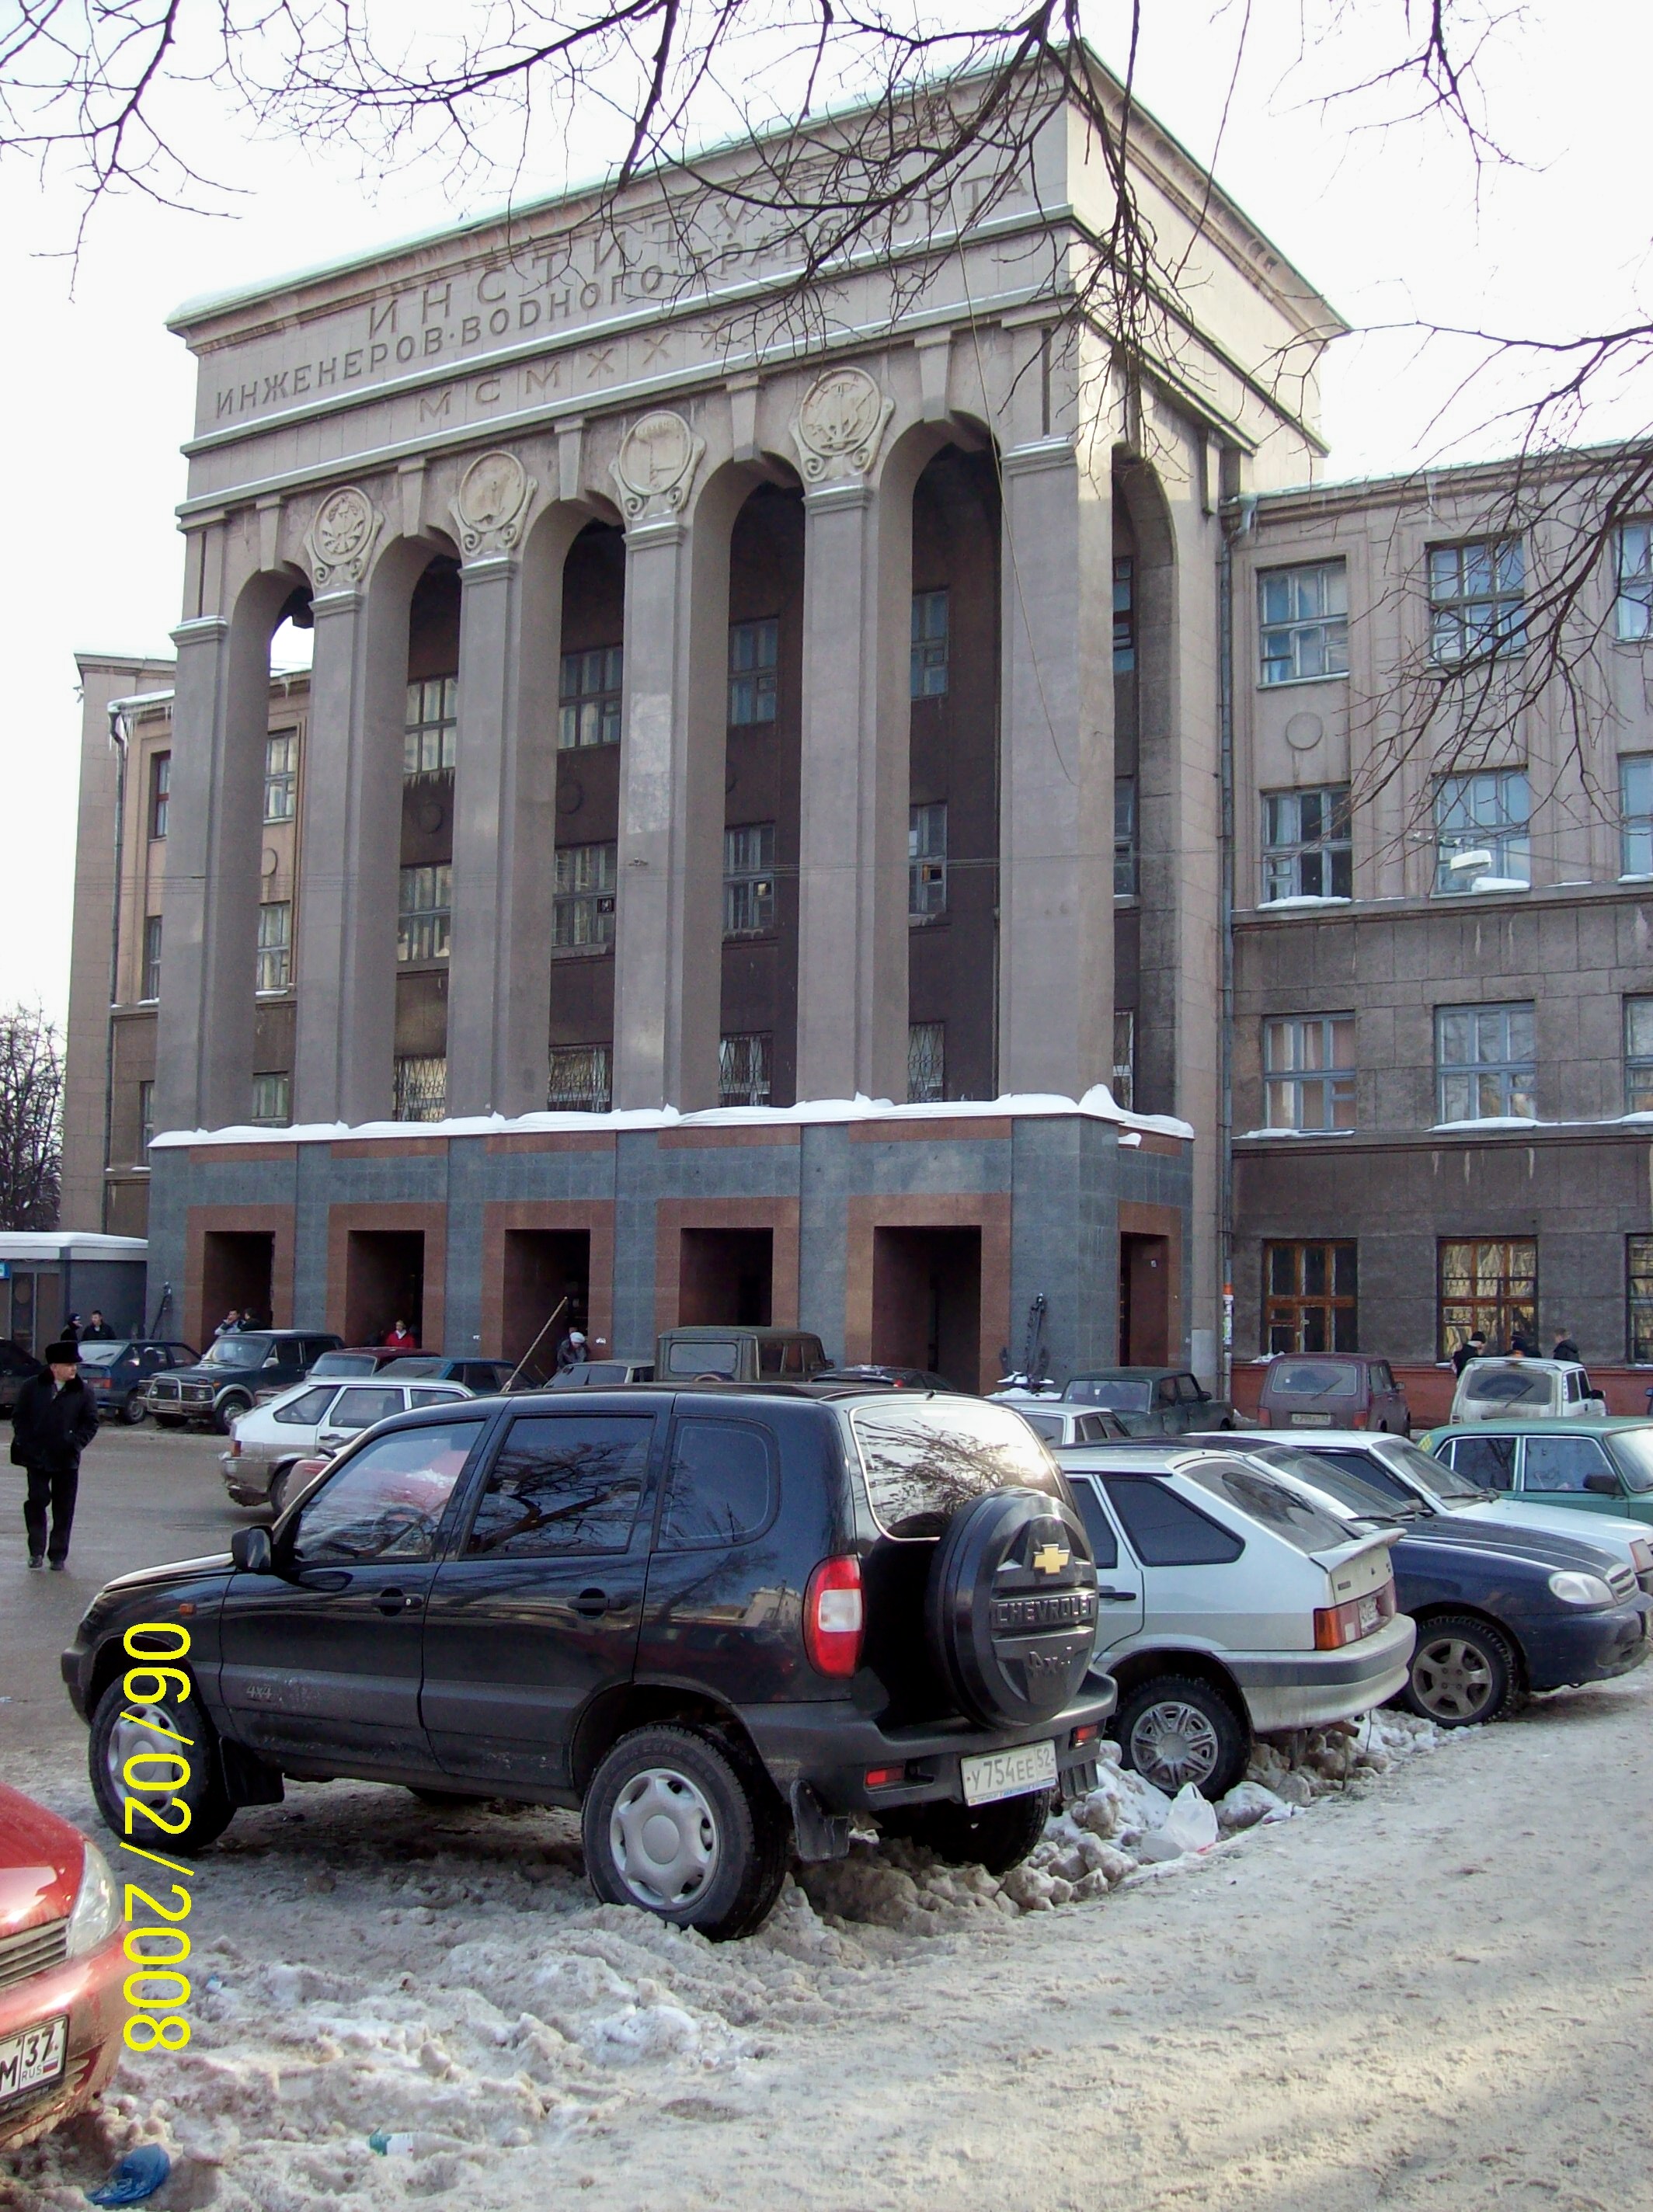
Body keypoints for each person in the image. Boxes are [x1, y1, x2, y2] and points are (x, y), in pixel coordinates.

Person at [12, 1343, 98, 1571]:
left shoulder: (83, 1391)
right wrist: (25, 1441)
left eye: (75, 1365)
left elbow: (90, 1423)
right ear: (54, 1367)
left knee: (64, 1508)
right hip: (37, 1457)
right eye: (69, 1365)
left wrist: (76, 1443)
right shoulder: (33, 1387)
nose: (74, 1369)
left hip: (66, 1459)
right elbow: (20, 1417)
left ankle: (58, 1555)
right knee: (37, 1501)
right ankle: (36, 1551)